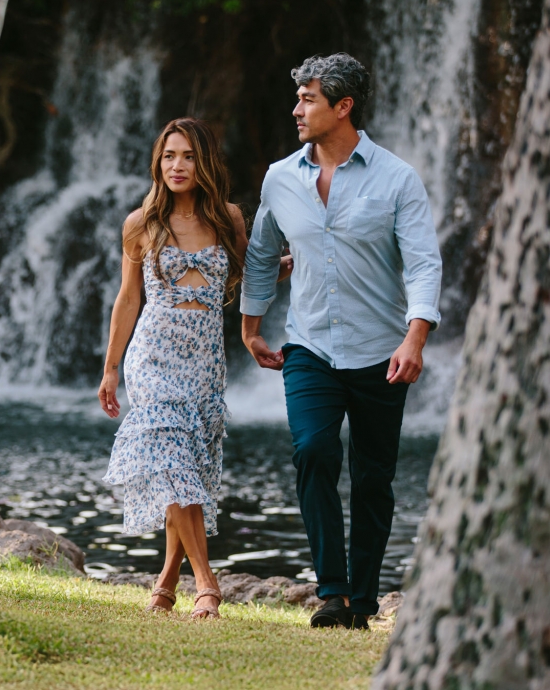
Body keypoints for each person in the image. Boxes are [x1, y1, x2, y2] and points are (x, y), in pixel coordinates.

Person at [241, 53, 442, 629]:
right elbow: (260, 254)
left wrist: (416, 337)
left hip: (383, 351)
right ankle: (332, 592)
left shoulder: (397, 177)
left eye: (308, 99)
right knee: (313, 453)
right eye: (298, 98)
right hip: (309, 348)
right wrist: (252, 327)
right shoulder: (281, 178)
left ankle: (364, 595)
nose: (296, 109)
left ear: (343, 106)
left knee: (374, 478)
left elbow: (424, 264)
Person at [98, 117, 291, 618]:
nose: (177, 166)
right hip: (153, 357)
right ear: (157, 164)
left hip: (205, 363)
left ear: (202, 161)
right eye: (168, 156)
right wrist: (111, 368)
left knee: (187, 474)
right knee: (173, 461)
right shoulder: (140, 223)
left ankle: (164, 585)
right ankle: (207, 586)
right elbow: (127, 298)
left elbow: (254, 271)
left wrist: (294, 263)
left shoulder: (228, 218)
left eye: (186, 156)